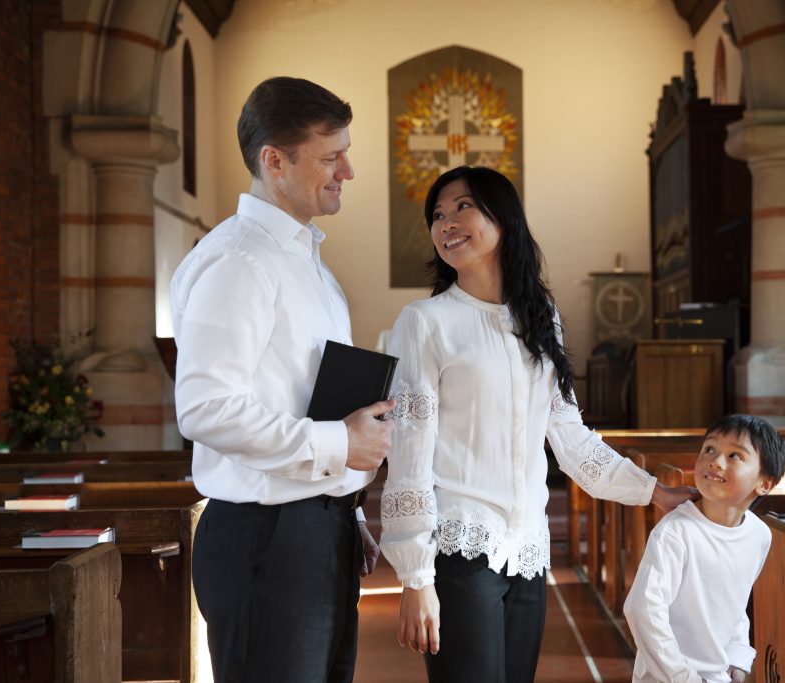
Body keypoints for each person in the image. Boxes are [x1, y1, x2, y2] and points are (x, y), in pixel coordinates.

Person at [378, 165, 698, 683]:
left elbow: (568, 435)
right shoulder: (425, 322)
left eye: (462, 206)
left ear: (503, 217)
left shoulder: (540, 315)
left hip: (527, 547)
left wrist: (654, 493)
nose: (446, 223)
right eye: (437, 215)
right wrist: (416, 577)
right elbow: (409, 455)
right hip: (462, 545)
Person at [171, 76, 394, 683]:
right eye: (331, 156)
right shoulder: (240, 261)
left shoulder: (307, 264)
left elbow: (303, 397)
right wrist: (339, 445)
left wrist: (343, 511)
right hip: (263, 539)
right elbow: (206, 408)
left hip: (313, 528)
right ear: (275, 160)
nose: (347, 170)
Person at [623, 414, 785, 683]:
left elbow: (735, 605)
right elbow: (643, 609)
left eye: (734, 456)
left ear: (765, 483)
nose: (715, 460)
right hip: (667, 677)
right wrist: (683, 676)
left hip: (718, 676)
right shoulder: (676, 532)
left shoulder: (758, 535)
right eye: (709, 449)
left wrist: (738, 658)